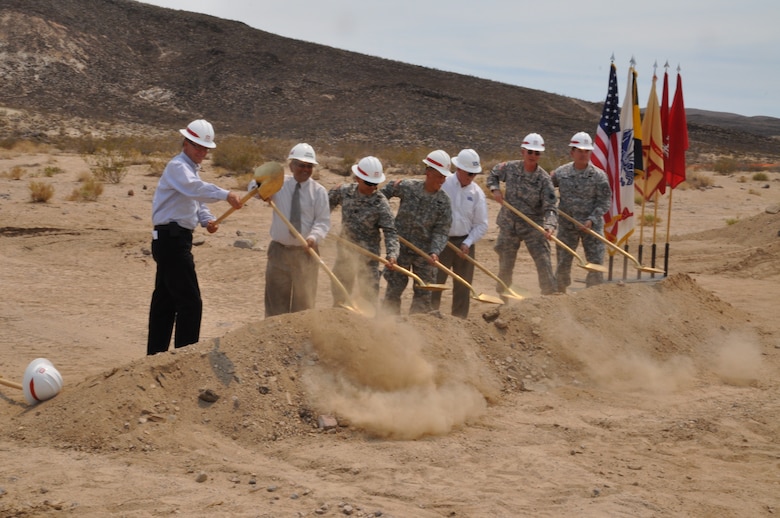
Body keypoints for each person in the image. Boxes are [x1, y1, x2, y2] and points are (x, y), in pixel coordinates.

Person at [147, 119, 243, 356]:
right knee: (190, 302)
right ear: (185, 143)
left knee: (165, 300)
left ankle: (155, 355)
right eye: (197, 146)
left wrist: (206, 219)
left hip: (175, 239)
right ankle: (185, 356)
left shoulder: (190, 170)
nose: (202, 152)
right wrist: (225, 194)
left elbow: (195, 200)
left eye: (205, 148)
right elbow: (194, 189)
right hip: (171, 240)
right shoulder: (178, 167)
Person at [381, 149, 452, 314]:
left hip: (425, 255)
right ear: (428, 172)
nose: (442, 180)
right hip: (401, 250)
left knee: (423, 295)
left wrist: (435, 251)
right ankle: (389, 327)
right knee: (393, 290)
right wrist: (383, 217)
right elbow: (384, 193)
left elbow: (442, 231)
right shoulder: (408, 187)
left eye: (444, 176)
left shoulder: (444, 201)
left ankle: (416, 332)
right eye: (439, 175)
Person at [486, 132, 557, 297]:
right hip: (509, 223)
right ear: (522, 151)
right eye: (530, 151)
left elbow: (551, 207)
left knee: (543, 260)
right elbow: (493, 174)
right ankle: (503, 297)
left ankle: (550, 297)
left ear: (540, 155)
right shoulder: (509, 167)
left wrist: (550, 226)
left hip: (533, 225)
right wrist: (495, 189)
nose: (533, 155)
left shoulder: (544, 179)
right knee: (505, 262)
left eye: (537, 153)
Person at [264, 143, 330, 317]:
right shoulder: (277, 184)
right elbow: (252, 189)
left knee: (304, 309)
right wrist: (262, 191)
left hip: (306, 254)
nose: (305, 169)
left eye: (309, 166)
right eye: (301, 165)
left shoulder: (319, 192)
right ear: (291, 165)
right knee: (275, 308)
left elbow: (322, 222)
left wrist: (313, 238)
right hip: (279, 252)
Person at [328, 156, 399, 307]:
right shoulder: (344, 192)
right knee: (340, 298)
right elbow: (322, 206)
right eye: (368, 183)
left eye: (375, 183)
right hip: (345, 255)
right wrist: (321, 226)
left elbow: (390, 231)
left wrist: (392, 254)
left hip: (369, 259)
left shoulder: (381, 203)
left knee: (368, 301)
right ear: (358, 178)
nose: (372, 187)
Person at [430, 148, 489, 318]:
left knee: (463, 286)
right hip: (442, 241)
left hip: (465, 243)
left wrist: (468, 242)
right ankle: (430, 318)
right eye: (468, 173)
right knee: (436, 282)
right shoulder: (444, 183)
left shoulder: (477, 193)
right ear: (459, 169)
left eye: (474, 174)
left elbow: (481, 224)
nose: (471, 177)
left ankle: (460, 321)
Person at [551, 131, 612, 292]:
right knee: (563, 261)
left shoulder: (599, 176)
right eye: (579, 151)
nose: (583, 154)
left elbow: (605, 201)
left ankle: (593, 296)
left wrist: (592, 219)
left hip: (591, 227)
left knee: (595, 263)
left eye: (586, 151)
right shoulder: (561, 173)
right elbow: (546, 189)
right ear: (572, 152)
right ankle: (559, 293)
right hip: (567, 225)